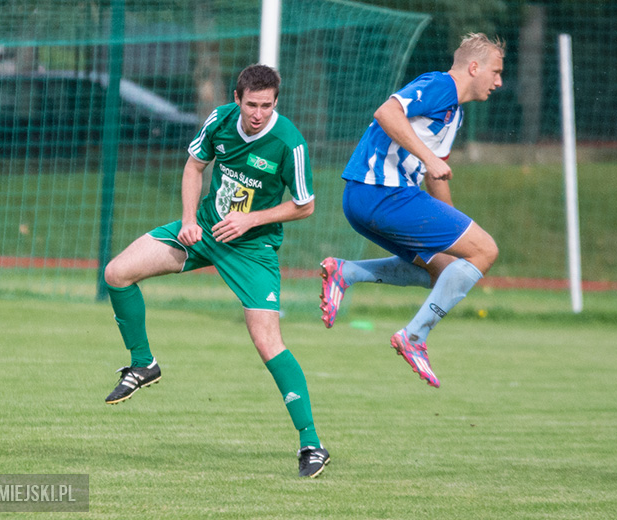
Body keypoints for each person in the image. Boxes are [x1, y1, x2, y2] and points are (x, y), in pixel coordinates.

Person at [103, 64, 330, 478]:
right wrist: (189, 218)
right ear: (237, 98)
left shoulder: (289, 143)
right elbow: (194, 167)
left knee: (268, 343)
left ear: (276, 101)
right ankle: (143, 364)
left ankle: (311, 443)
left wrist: (251, 220)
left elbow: (305, 205)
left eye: (267, 105)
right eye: (251, 105)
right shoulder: (220, 120)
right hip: (204, 231)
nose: (258, 113)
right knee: (117, 272)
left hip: (252, 249)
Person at [319, 33, 505, 388]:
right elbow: (387, 112)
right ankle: (414, 338)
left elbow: (438, 177)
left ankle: (347, 272)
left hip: (367, 201)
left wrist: (452, 233)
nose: (499, 81)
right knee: (487, 249)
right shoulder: (441, 85)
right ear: (474, 66)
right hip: (380, 192)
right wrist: (428, 157)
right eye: (495, 71)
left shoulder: (455, 115)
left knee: (445, 270)